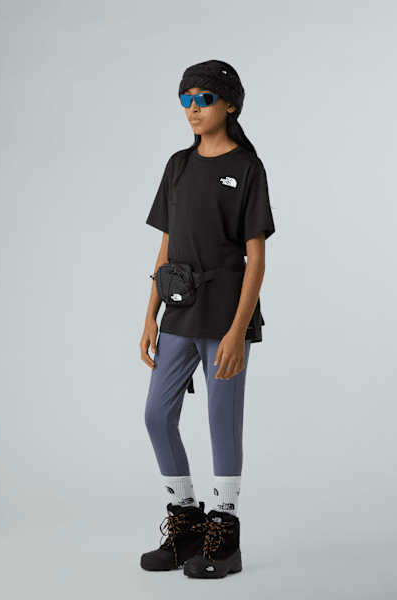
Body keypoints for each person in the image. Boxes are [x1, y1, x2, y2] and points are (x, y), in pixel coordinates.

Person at [139, 60, 275, 579]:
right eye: (186, 99)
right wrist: (150, 314)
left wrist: (238, 331)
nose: (193, 109)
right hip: (178, 309)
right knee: (157, 415)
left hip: (224, 313)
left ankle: (225, 533)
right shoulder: (177, 165)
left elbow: (256, 258)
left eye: (204, 99)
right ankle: (187, 523)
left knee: (222, 419)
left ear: (230, 104)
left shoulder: (247, 167)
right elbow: (167, 245)